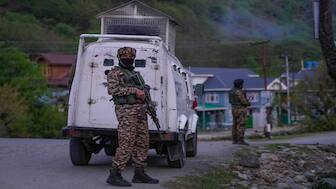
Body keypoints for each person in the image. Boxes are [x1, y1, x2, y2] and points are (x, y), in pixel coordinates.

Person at [106, 47, 159, 187]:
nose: (128, 59)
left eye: (131, 57)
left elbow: (144, 92)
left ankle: (139, 173)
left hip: (140, 111)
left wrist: (149, 106)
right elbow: (113, 90)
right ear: (119, 57)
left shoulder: (136, 74)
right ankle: (114, 174)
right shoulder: (114, 73)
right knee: (127, 143)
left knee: (143, 141)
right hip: (126, 111)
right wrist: (134, 90)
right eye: (125, 57)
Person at [229, 79, 251, 145]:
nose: (242, 85)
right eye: (242, 84)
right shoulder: (239, 92)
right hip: (240, 109)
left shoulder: (231, 91)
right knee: (241, 124)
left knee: (235, 124)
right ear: (239, 84)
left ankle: (234, 140)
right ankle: (240, 139)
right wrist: (248, 102)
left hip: (234, 109)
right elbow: (244, 102)